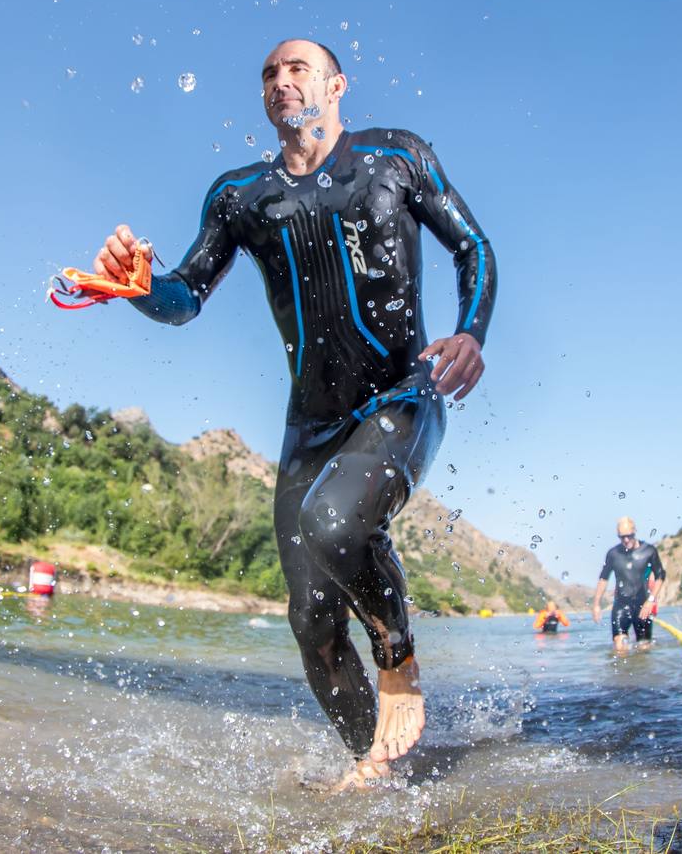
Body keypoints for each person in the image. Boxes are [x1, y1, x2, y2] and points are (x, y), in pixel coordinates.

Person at [88, 39, 497, 788]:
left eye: (298, 68)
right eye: (270, 73)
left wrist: (471, 331)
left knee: (336, 525)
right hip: (309, 428)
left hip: (403, 398)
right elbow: (184, 296)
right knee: (310, 622)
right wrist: (141, 286)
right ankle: (380, 771)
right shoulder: (240, 197)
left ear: (337, 85)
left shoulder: (395, 157)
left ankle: (398, 657)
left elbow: (471, 245)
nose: (282, 80)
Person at [591, 516, 665, 653]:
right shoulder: (613, 554)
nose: (625, 540)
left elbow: (661, 576)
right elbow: (603, 579)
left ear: (635, 532)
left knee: (644, 649)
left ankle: (641, 674)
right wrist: (596, 604)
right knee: (619, 647)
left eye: (629, 536)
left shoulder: (649, 551)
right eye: (621, 537)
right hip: (621, 606)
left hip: (643, 606)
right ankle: (622, 674)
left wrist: (651, 600)